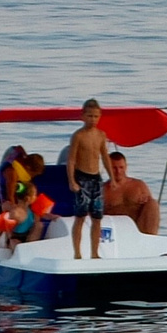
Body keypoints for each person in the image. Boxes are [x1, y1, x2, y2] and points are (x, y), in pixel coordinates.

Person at [61, 98, 112, 260]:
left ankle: (95, 253)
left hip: (96, 178)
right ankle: (77, 253)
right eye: (89, 116)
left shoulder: (101, 135)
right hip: (81, 178)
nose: (93, 120)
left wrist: (113, 179)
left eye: (96, 116)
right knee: (81, 217)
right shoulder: (78, 136)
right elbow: (71, 160)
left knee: (97, 218)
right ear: (83, 116)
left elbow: (105, 157)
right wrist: (72, 181)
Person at [102, 149, 160, 236]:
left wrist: (146, 200)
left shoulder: (139, 185)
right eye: (114, 168)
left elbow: (150, 209)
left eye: (121, 167)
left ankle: (149, 238)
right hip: (115, 231)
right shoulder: (103, 190)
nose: (118, 171)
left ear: (126, 166)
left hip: (138, 229)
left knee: (152, 203)